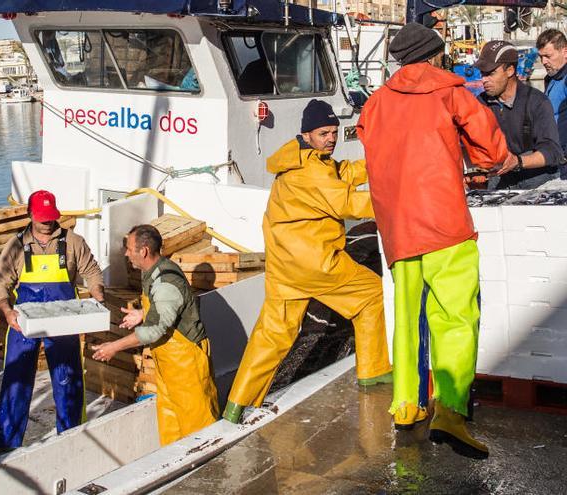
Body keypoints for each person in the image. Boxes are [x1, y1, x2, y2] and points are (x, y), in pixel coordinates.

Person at [357, 23, 511, 459]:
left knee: (406, 318)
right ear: (436, 55)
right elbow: (492, 152)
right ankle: (450, 414)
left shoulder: (374, 103)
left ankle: (406, 405)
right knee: (456, 319)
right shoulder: (451, 91)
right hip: (444, 222)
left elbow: (373, 149)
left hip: (398, 228)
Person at [222, 99, 392, 425]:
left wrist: (375, 164)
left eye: (334, 132)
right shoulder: (313, 171)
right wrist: (400, 197)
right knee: (371, 295)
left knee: (272, 335)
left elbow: (340, 173)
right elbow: (347, 202)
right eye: (323, 133)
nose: (331, 138)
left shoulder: (297, 161)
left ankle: (236, 405)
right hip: (315, 263)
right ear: (307, 133)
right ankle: (375, 372)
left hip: (284, 267)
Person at [0, 190, 105, 460]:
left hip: (63, 319)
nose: (47, 223)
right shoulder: (16, 245)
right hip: (24, 321)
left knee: (67, 375)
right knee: (16, 377)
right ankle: (5, 440)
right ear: (30, 215)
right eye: (42, 218)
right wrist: (6, 311)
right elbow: (1, 283)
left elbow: (92, 271)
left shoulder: (73, 242)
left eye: (51, 218)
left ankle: (72, 434)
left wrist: (97, 295)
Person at [92, 225, 218, 445]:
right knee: (171, 423)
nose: (126, 253)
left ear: (144, 251)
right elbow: (165, 308)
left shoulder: (166, 282)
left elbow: (154, 331)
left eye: (129, 248)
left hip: (186, 364)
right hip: (169, 365)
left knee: (199, 425)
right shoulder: (153, 272)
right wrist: (143, 313)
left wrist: (113, 347)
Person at [476, 40, 563, 189]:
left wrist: (518, 161)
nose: (484, 80)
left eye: (491, 73)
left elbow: (553, 152)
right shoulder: (480, 103)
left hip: (538, 182)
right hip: (499, 181)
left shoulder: (537, 101)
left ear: (510, 70)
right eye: (482, 74)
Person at [538, 28, 567, 177]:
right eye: (541, 57)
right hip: (553, 157)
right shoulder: (551, 78)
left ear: (565, 52)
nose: (544, 62)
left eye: (548, 56)